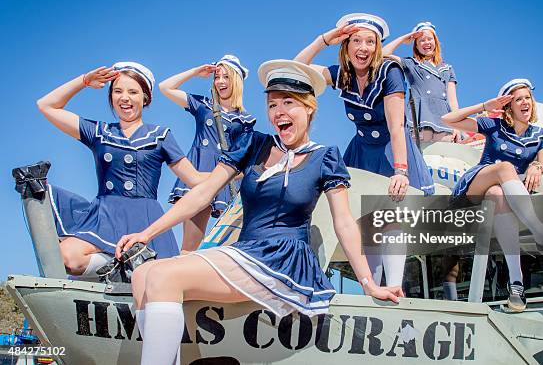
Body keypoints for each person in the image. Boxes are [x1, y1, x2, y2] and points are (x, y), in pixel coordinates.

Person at [115, 60, 404, 365]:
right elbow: (202, 193)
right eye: (272, 104)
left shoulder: (324, 157)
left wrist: (369, 282)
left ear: (309, 108)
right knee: (143, 274)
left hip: (283, 258)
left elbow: (343, 222)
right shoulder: (253, 144)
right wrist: (146, 234)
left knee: (161, 274)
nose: (279, 111)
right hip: (246, 250)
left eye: (289, 103)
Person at [294, 13, 434, 288]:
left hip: (391, 150)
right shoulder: (341, 75)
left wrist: (401, 171)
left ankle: (395, 287)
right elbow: (296, 68)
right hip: (361, 152)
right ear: (346, 46)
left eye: (370, 41)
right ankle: (375, 287)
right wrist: (324, 39)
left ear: (377, 46)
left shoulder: (389, 72)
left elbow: (397, 127)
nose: (363, 48)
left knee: (392, 217)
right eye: (356, 40)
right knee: (368, 224)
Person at [36, 62, 206, 278]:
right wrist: (84, 81)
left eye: (133, 92)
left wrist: (233, 170)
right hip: (105, 217)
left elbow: (194, 179)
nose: (124, 97)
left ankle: (131, 266)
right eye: (118, 91)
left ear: (146, 98)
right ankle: (120, 266)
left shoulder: (160, 136)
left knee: (161, 278)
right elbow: (46, 105)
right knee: (68, 257)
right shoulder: (98, 132)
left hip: (146, 218)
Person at [442, 78, 543, 311]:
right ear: (508, 106)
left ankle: (516, 286)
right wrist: (485, 106)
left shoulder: (541, 134)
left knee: (498, 194)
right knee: (505, 169)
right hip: (471, 192)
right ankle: (541, 233)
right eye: (518, 99)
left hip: (499, 195)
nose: (525, 102)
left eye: (527, 97)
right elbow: (447, 120)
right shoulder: (495, 126)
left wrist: (536, 166)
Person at [160, 55, 255, 252]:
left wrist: (229, 177)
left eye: (226, 77)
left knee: (228, 244)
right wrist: (196, 71)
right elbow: (165, 87)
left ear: (236, 80)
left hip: (225, 180)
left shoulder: (245, 120)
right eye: (217, 77)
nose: (220, 81)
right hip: (198, 176)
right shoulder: (204, 105)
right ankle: (184, 280)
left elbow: (247, 162)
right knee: (190, 245)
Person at [383, 21, 460, 142]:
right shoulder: (411, 63)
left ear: (435, 41)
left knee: (445, 158)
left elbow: (453, 100)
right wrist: (404, 39)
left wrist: (458, 125)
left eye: (429, 39)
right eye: (421, 40)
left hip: (445, 121)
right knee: (421, 158)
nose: (426, 43)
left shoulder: (447, 68)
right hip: (421, 120)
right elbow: (383, 54)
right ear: (416, 46)